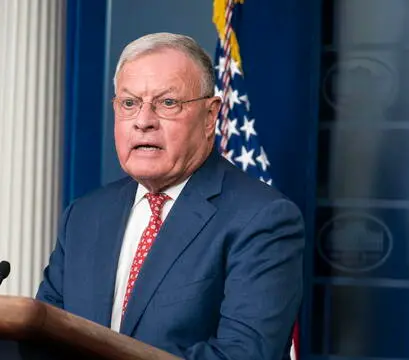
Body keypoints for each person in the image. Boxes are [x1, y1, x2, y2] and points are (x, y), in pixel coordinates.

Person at [35, 32, 305, 360]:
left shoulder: (262, 218)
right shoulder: (84, 215)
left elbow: (243, 354)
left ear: (209, 118)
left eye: (167, 103)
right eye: (129, 103)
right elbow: (44, 337)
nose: (144, 122)